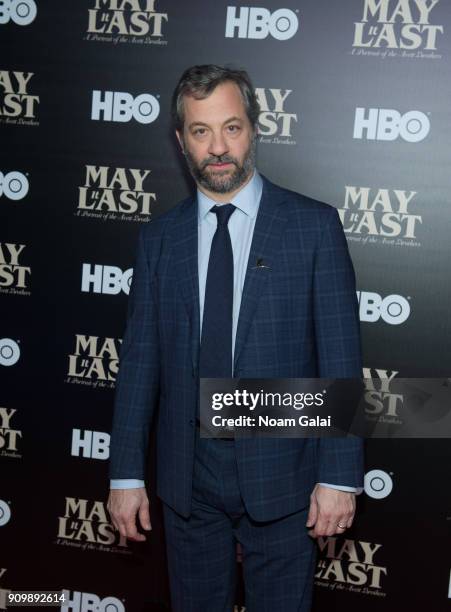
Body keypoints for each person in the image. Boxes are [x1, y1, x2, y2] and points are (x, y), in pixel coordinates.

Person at [107, 64, 364, 612]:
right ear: (181, 141)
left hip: (285, 481)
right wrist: (126, 474)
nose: (218, 147)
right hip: (186, 484)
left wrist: (339, 478)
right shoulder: (160, 239)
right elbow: (139, 365)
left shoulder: (312, 227)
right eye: (201, 131)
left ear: (254, 129)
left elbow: (341, 358)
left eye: (232, 127)